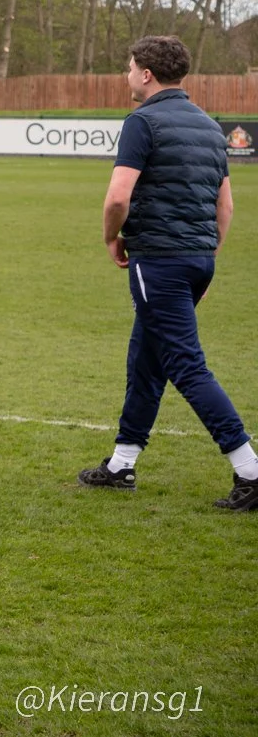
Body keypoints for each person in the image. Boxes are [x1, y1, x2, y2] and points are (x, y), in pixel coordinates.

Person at [79, 34, 253, 509]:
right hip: (198, 258)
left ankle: (250, 470)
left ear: (147, 74)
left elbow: (118, 197)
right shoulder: (209, 126)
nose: (126, 74)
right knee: (146, 358)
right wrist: (206, 253)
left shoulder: (142, 122)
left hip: (159, 259)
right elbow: (227, 205)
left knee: (184, 365)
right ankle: (122, 463)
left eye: (129, 66)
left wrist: (112, 237)